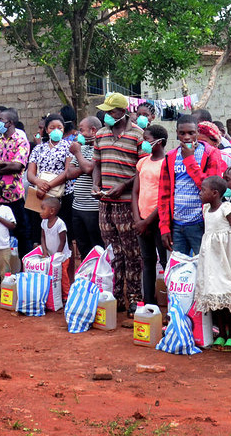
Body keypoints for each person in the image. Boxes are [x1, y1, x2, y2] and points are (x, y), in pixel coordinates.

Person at [92, 93, 145, 312]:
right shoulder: (101, 134)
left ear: (122, 112)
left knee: (132, 251)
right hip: (105, 202)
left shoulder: (138, 135)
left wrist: (123, 186)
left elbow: (143, 169)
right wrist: (96, 186)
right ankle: (115, 296)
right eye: (106, 111)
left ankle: (134, 296)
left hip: (127, 203)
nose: (107, 115)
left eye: (111, 111)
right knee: (112, 251)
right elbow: (96, 164)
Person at [193, 175, 231, 352]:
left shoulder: (226, 208)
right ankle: (222, 335)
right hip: (211, 262)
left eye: (203, 190)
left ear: (215, 193)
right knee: (215, 295)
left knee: (227, 294)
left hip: (226, 260)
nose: (200, 193)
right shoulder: (206, 209)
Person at [158, 115, 224, 257]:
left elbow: (213, 189)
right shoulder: (170, 157)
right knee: (179, 268)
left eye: (191, 133)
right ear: (176, 133)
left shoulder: (210, 153)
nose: (187, 137)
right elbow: (163, 194)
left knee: (205, 267)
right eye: (182, 133)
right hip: (177, 224)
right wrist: (164, 227)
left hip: (200, 223)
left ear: (197, 133)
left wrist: (189, 159)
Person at [131, 124, 169, 305]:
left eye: (146, 140)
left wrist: (147, 222)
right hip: (142, 220)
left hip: (159, 220)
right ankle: (148, 304)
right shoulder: (143, 162)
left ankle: (170, 306)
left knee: (165, 262)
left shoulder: (167, 163)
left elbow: (166, 197)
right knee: (147, 261)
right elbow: (135, 192)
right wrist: (138, 219)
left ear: (159, 142)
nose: (143, 143)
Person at [0, 108, 31, 256]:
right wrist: (4, 165)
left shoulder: (21, 140)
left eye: (1, 120)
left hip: (14, 194)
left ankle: (23, 266)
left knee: (21, 231)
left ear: (10, 123)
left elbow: (17, 166)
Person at [27, 114, 73, 248]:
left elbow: (67, 171)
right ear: (46, 130)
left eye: (59, 127)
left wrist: (49, 185)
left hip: (63, 194)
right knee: (40, 230)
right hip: (40, 193)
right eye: (52, 127)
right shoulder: (38, 148)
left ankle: (64, 263)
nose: (56, 130)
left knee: (64, 232)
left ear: (64, 129)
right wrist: (38, 183)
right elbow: (30, 172)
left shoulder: (69, 147)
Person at [68, 117, 103, 258]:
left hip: (92, 208)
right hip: (77, 207)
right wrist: (85, 164)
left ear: (93, 130)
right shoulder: (83, 148)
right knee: (83, 247)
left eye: (81, 130)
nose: (78, 133)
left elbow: (90, 169)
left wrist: (77, 153)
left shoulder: (98, 148)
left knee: (97, 246)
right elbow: (69, 173)